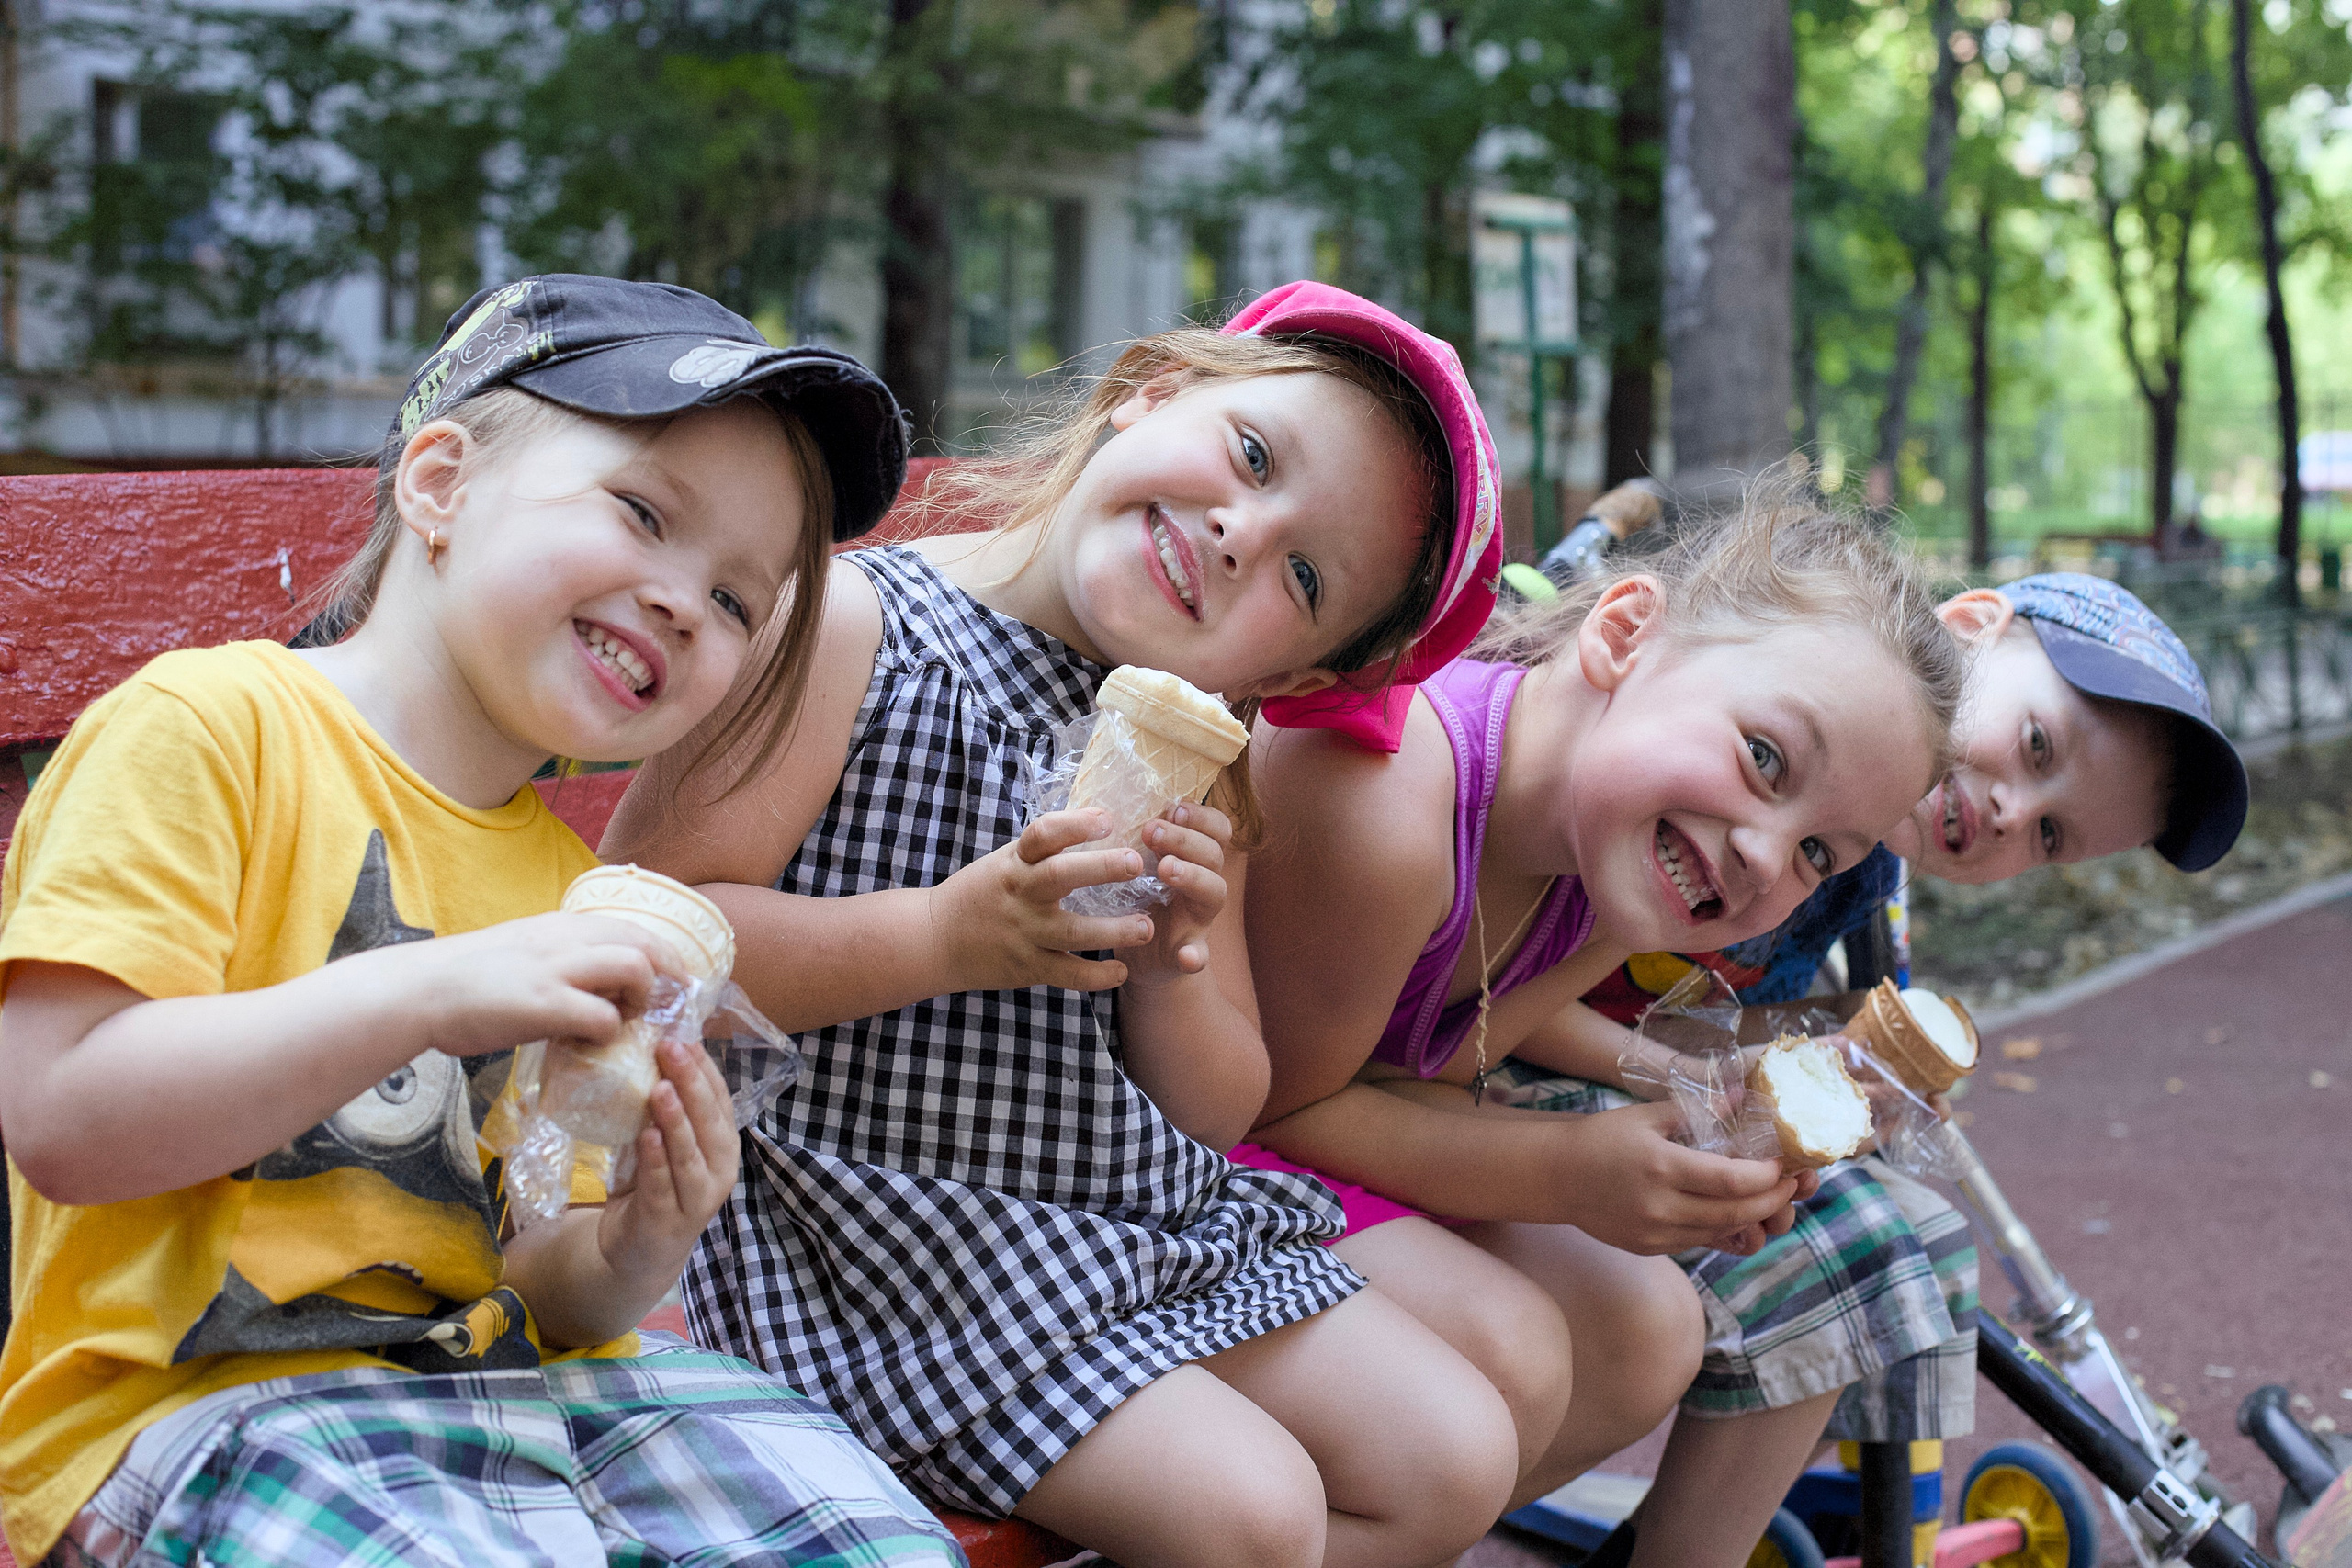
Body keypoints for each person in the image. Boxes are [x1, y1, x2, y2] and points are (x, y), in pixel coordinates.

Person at [0, 276, 963, 1568]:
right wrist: (435, 989)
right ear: (441, 482)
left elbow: (528, 1270)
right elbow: (65, 1116)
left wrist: (632, 1243)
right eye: (642, 512)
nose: (687, 599)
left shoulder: (561, 888)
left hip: (503, 1400)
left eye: (740, 600)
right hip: (197, 1412)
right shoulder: (211, 729)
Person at [605, 281, 1533, 1568]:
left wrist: (1175, 961)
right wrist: (945, 933)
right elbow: (648, 942)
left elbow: (1217, 1107)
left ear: (1296, 679)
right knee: (1250, 1512)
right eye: (1254, 457)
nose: (1238, 531)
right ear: (1149, 392)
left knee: (1454, 1455)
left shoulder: (1201, 747)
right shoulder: (854, 628)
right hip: (877, 1244)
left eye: (1304, 574)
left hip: (1112, 1227)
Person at [1238, 478, 1971, 1532]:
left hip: (1298, 1131)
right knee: (1508, 1353)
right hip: (1161, 1152)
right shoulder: (1392, 807)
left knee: (1649, 1334)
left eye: (1819, 851)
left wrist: (1670, 1129)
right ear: (1624, 634)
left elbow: (1427, 1062)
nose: (1767, 856)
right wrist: (1572, 1172)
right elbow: (1273, 1113)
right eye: (1765, 759)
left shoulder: (1615, 883)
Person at [1550, 570, 2248, 1568]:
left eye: (2049, 835)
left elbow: (1712, 1015)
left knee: (1897, 1242)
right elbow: (1527, 983)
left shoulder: (1861, 871)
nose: (2013, 811)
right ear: (1966, 628)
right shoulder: (1749, 744)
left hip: (1603, 1074)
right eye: (2038, 746)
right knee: (1859, 1241)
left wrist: (1830, 1060)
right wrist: (1708, 1075)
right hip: (1498, 1057)